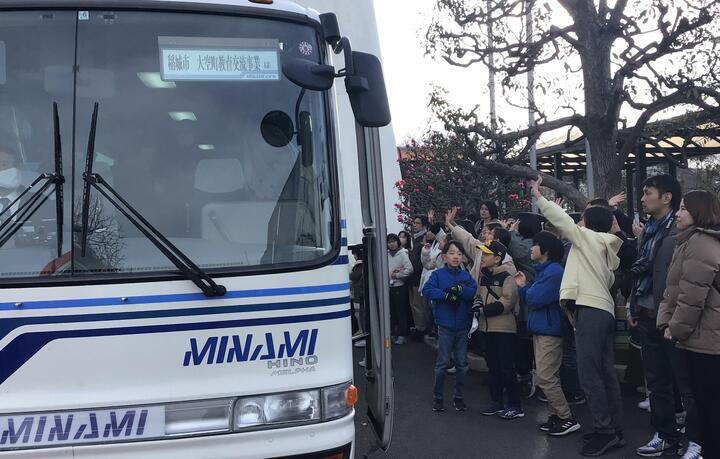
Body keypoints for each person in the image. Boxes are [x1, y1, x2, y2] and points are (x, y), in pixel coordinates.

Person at [530, 176, 624, 457]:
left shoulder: (588, 239)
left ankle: (604, 431)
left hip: (590, 312)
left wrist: (539, 196)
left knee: (590, 374)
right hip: (601, 310)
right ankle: (614, 429)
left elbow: (562, 221)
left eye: (582, 218)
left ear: (588, 223)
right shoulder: (605, 245)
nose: (578, 222)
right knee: (605, 373)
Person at [627, 175, 700, 458]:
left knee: (686, 384)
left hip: (670, 318)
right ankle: (665, 434)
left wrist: (673, 316)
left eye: (648, 193)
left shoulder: (680, 231)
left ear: (666, 197)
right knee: (656, 382)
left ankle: (697, 439)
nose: (643, 199)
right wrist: (635, 306)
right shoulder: (649, 231)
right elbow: (641, 270)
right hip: (646, 315)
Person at [657, 190, 720, 459]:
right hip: (703, 338)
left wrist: (675, 329)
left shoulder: (700, 243)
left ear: (699, 212)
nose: (679, 213)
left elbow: (691, 295)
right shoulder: (691, 241)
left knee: (708, 407)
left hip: (705, 341)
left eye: (684, 208)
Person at [515, 231, 581, 436]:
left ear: (546, 251)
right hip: (543, 329)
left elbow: (534, 299)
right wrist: (525, 288)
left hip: (549, 331)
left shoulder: (553, 272)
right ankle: (556, 415)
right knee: (550, 376)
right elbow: (531, 296)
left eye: (535, 245)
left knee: (545, 377)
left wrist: (524, 287)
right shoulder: (546, 270)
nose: (531, 249)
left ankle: (566, 417)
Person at [422, 240, 477, 412]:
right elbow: (427, 290)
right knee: (442, 363)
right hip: (444, 325)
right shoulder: (438, 275)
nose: (456, 257)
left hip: (462, 325)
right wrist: (446, 295)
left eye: (459, 254)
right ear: (444, 256)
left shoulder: (466, 276)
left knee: (462, 363)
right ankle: (438, 397)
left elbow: (473, 291)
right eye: (452, 253)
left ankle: (459, 397)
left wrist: (460, 290)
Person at [472, 240, 524, 420]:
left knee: (506, 367)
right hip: (486, 328)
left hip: (503, 329)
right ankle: (497, 402)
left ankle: (515, 405)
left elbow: (508, 302)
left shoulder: (507, 276)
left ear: (497, 258)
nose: (483, 257)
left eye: (487, 254)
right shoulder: (484, 276)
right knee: (493, 367)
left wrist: (484, 310)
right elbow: (478, 295)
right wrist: (477, 304)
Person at [387, 233, 413, 345]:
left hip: (399, 286)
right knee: (391, 312)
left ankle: (403, 334)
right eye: (389, 242)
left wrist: (397, 276)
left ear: (398, 242)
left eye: (393, 241)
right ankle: (393, 333)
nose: (391, 244)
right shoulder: (386, 254)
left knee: (401, 312)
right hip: (389, 287)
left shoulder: (403, 254)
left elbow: (409, 269)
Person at [407, 215, 430, 339]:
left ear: (424, 225)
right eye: (414, 222)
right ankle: (417, 326)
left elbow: (420, 259)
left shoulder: (424, 238)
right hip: (411, 276)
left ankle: (421, 328)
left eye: (417, 223)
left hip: (418, 276)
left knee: (419, 305)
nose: (414, 225)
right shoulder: (415, 238)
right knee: (413, 304)